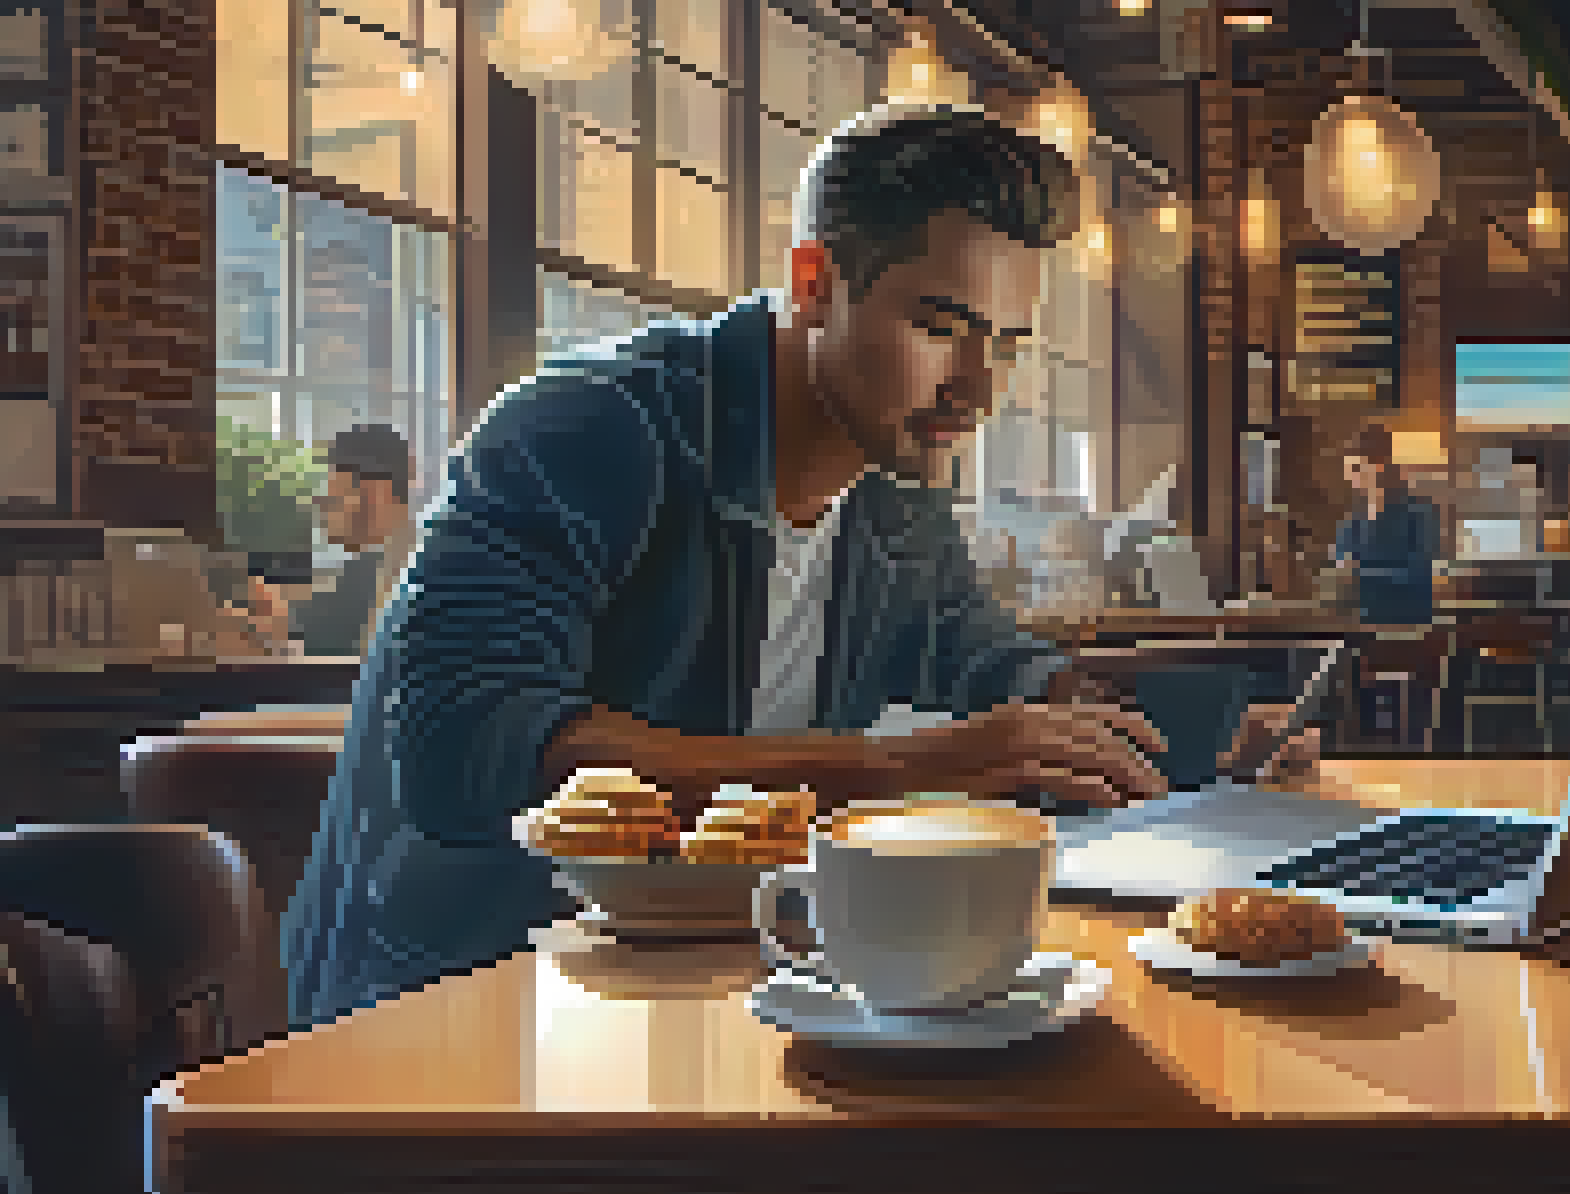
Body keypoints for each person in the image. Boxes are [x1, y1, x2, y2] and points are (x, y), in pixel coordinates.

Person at [280, 105, 1319, 1031]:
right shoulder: (588, 428)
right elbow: (464, 751)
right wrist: (902, 770)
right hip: (453, 1006)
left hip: (715, 987)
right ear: (815, 284)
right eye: (941, 326)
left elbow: (984, 660)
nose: (979, 387)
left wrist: (1166, 736)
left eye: (1007, 344)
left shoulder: (897, 488)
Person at [228, 425, 419, 657]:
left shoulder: (384, 573)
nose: (321, 511)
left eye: (332, 499)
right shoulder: (384, 562)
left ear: (374, 496)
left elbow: (302, 636)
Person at [1332, 427, 1442, 626]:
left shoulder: (1418, 513)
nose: (1350, 477)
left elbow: (1421, 576)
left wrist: (1359, 574)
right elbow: (1341, 567)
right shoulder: (1353, 520)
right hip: (1358, 623)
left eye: (1356, 468)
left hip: (1406, 624)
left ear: (1379, 466)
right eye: (1348, 470)